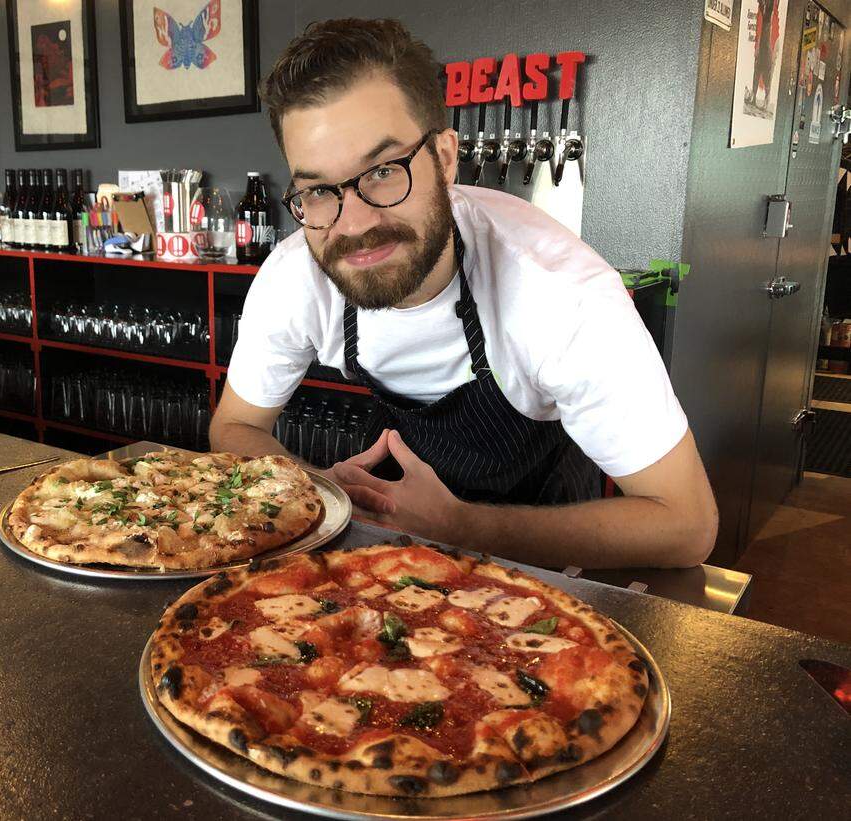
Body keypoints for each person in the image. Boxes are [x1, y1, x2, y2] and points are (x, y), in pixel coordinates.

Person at [209, 18, 718, 569]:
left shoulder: (561, 294)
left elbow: (686, 524)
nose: (352, 224)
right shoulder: (295, 277)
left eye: (381, 171)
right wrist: (315, 492)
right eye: (317, 190)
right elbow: (233, 426)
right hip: (384, 545)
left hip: (540, 557)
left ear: (446, 158)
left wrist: (460, 527)